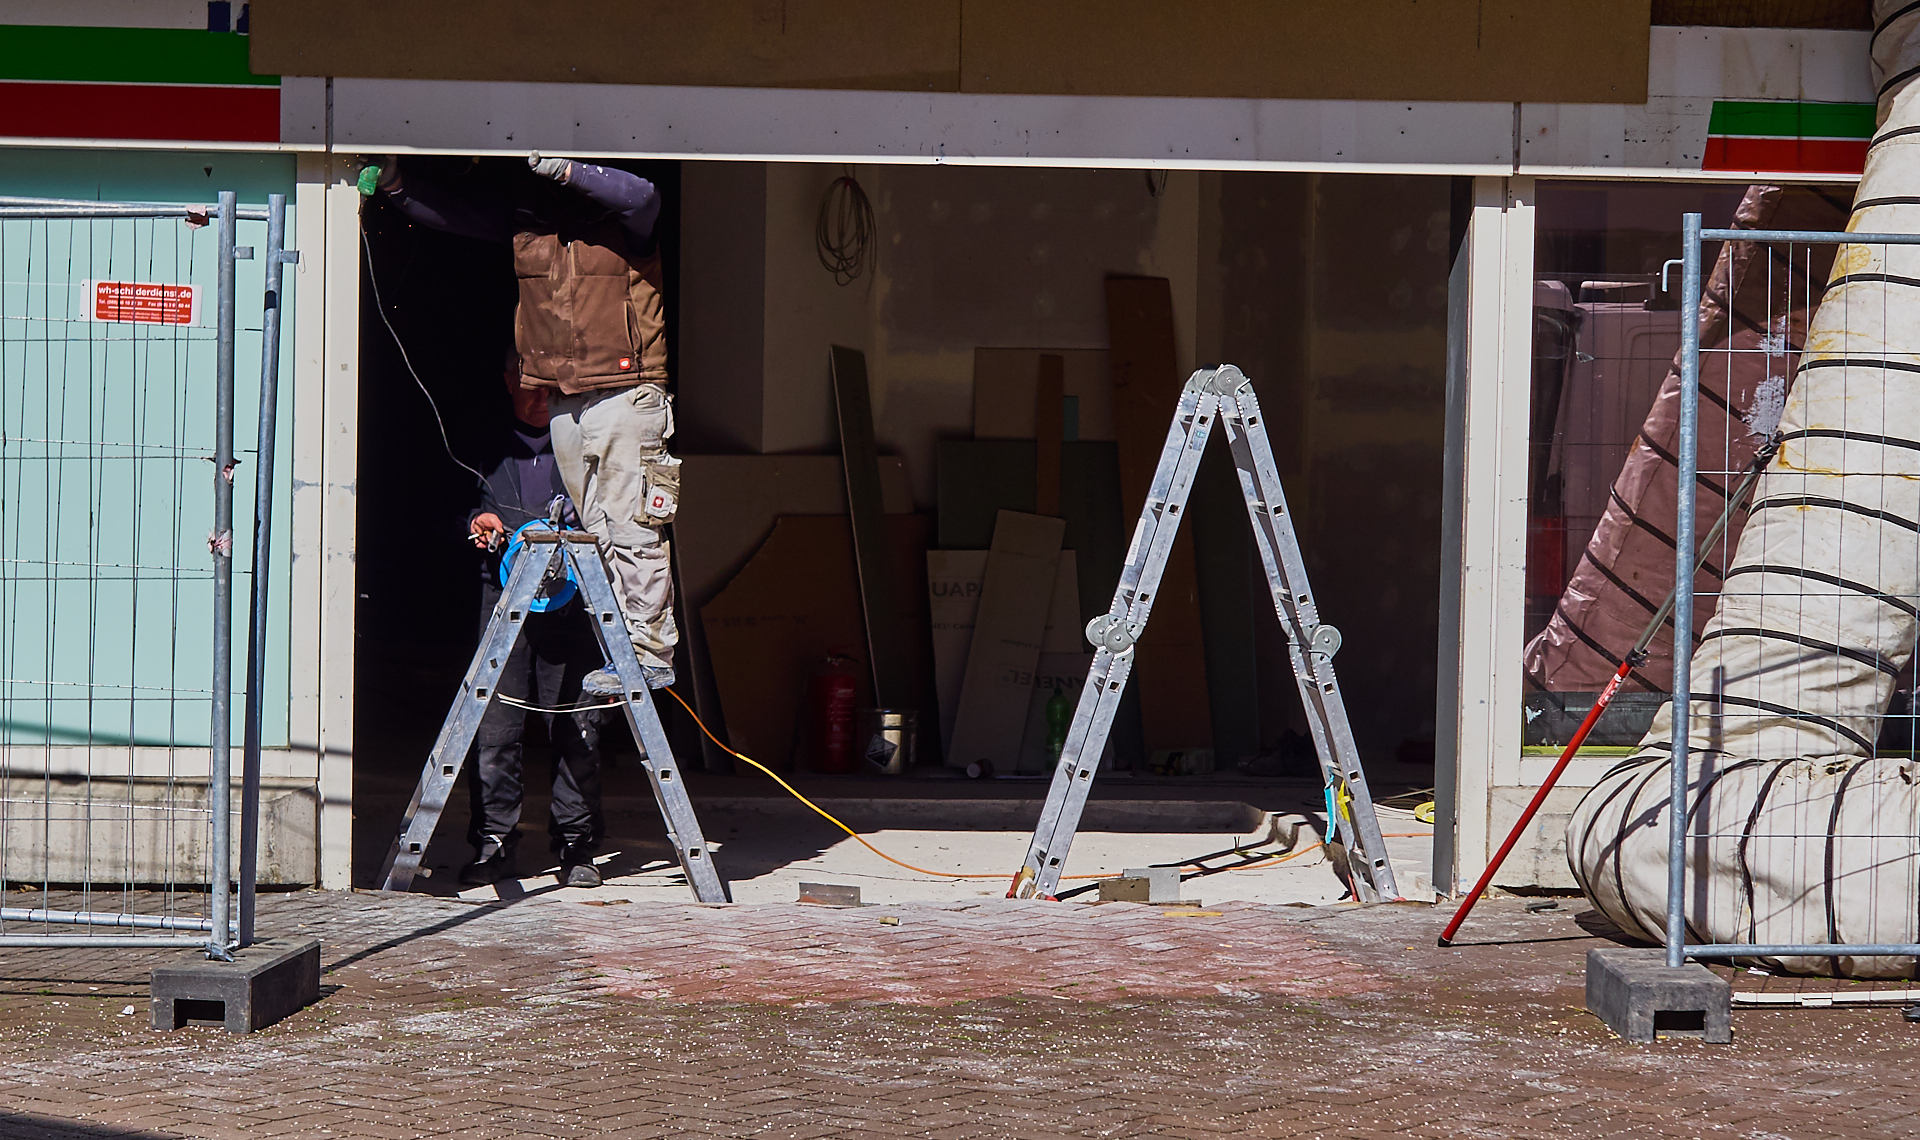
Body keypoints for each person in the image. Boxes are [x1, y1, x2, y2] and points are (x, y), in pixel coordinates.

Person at [373, 154, 681, 697]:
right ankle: (623, 650)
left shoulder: (624, 222)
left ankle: (651, 653)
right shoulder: (530, 226)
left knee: (632, 525)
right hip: (564, 396)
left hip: (625, 390)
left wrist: (566, 168)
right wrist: (396, 184)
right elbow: (455, 212)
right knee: (597, 531)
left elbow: (643, 195)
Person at [462, 352, 607, 888]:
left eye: (551, 386)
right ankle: (494, 844)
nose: (541, 397)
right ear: (508, 382)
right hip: (503, 602)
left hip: (573, 604)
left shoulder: (587, 448)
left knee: (578, 725)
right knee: (495, 727)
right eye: (530, 384)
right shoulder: (483, 451)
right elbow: (451, 508)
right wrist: (477, 519)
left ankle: (576, 844)